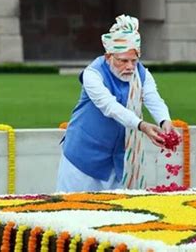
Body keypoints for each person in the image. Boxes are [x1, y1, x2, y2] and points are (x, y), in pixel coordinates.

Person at [56, 14, 173, 192]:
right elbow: (110, 107)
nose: (129, 67)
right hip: (82, 159)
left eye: (134, 61)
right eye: (123, 60)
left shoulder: (142, 74)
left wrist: (165, 121)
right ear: (108, 56)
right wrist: (141, 126)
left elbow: (153, 98)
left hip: (118, 161)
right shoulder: (93, 74)